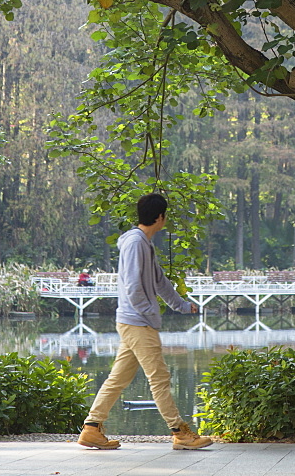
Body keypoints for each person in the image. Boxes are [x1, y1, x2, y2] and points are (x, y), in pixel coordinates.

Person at [77, 193, 212, 452]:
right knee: (159, 378)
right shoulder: (136, 243)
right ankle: (180, 433)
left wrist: (182, 305)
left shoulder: (144, 243)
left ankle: (91, 429)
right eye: (166, 216)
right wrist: (148, 312)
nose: (166, 220)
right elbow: (132, 285)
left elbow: (160, 281)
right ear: (159, 217)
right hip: (138, 322)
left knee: (118, 378)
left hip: (134, 321)